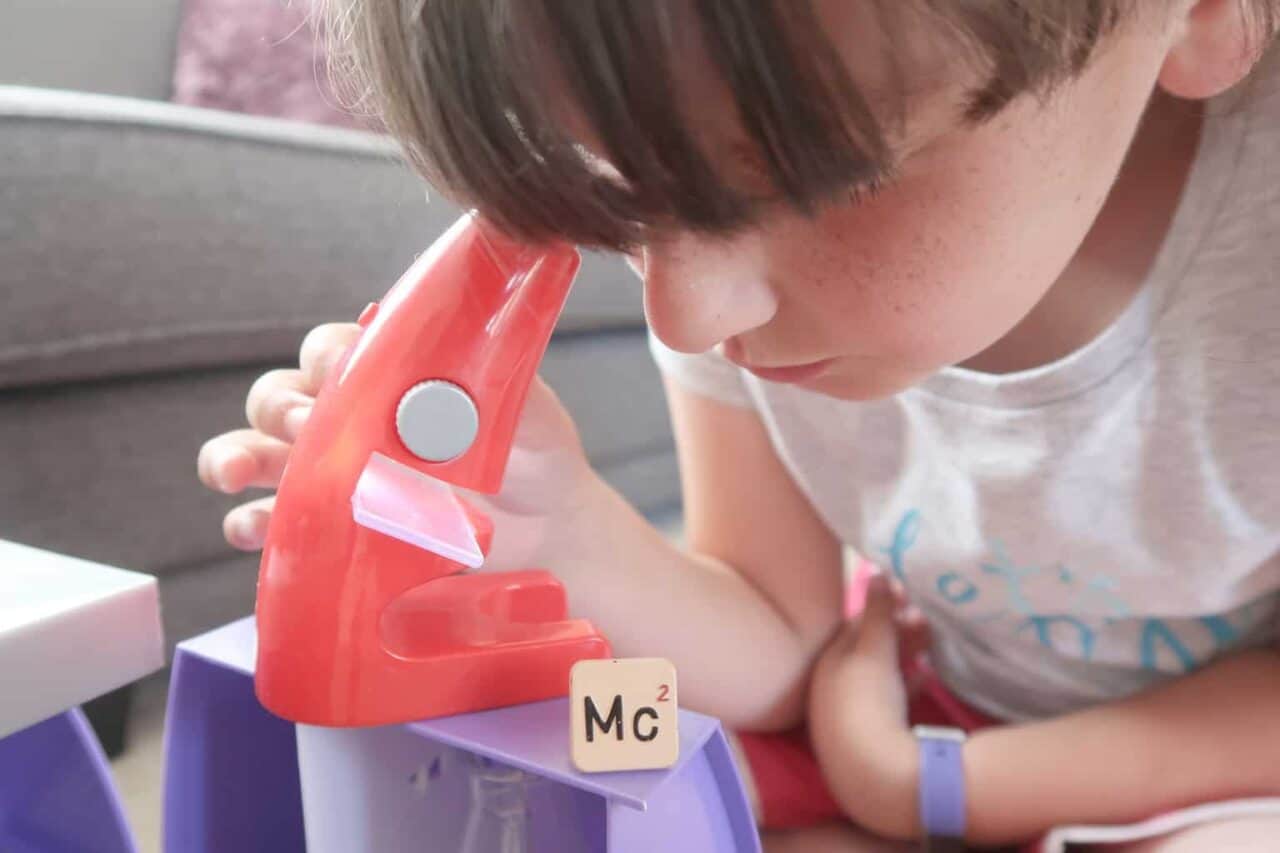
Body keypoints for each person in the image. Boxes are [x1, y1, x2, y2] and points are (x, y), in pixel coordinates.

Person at [197, 2, 1280, 849]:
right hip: (888, 700)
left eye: (812, 180)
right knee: (612, 766)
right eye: (619, 195)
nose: (685, 313)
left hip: (1203, 761)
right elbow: (773, 635)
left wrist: (935, 789)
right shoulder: (729, 286)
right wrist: (566, 530)